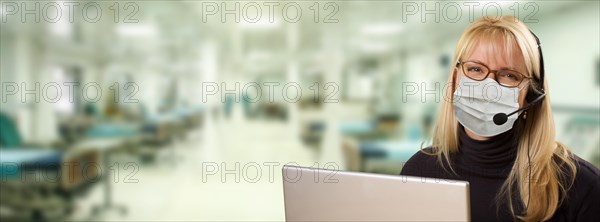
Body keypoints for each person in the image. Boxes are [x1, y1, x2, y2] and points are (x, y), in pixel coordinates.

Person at [400, 16, 600, 221]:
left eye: (509, 75)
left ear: (532, 96)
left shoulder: (581, 186)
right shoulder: (419, 170)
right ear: (455, 79)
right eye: (475, 69)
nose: (489, 89)